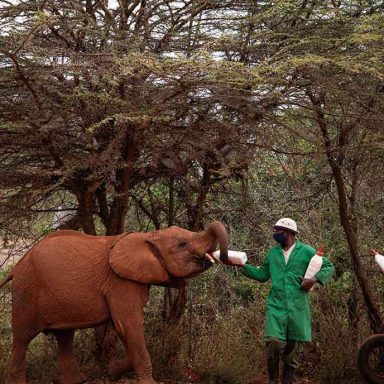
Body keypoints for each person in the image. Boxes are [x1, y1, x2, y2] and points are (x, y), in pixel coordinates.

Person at [240, 218, 334, 384]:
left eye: (278, 231)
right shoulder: (273, 253)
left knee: (292, 352)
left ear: (289, 233)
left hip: (298, 307)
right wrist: (241, 266)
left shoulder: (306, 251)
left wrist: (312, 280)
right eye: (275, 231)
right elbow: (262, 275)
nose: (275, 234)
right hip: (276, 306)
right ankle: (272, 380)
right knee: (273, 343)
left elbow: (328, 266)